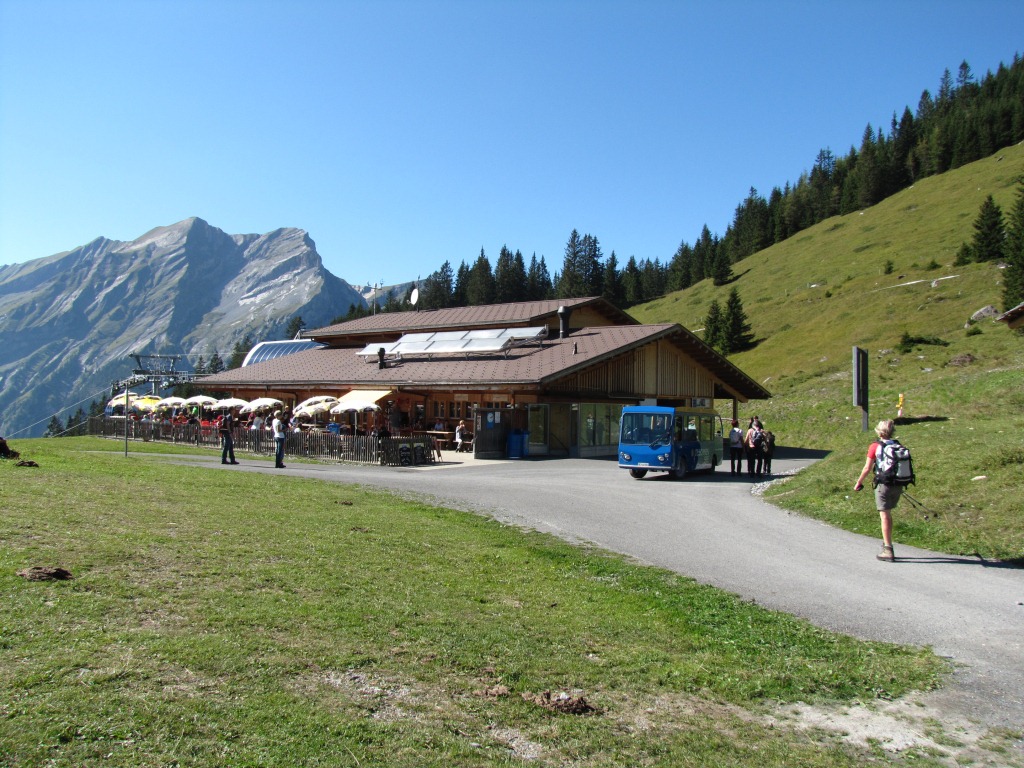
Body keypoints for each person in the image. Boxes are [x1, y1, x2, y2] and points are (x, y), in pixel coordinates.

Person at [854, 419, 902, 562]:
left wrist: (858, 482)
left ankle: (888, 549)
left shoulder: (875, 446)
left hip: (884, 484)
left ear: (878, 431)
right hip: (898, 484)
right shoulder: (897, 445)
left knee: (884, 515)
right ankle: (887, 543)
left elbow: (867, 468)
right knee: (888, 513)